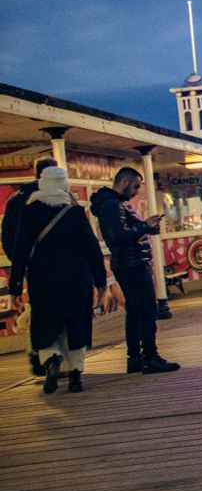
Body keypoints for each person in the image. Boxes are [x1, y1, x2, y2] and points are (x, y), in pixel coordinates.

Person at [8, 166, 108, 393]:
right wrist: (100, 281)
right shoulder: (73, 211)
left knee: (45, 322)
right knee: (76, 322)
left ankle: (52, 359)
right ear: (64, 184)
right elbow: (91, 247)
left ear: (42, 183)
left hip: (43, 278)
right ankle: (75, 374)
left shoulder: (31, 210)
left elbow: (21, 248)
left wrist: (15, 285)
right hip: (76, 276)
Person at [91, 167, 180, 375]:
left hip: (128, 263)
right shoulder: (112, 205)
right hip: (132, 264)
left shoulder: (113, 203)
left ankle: (135, 358)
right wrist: (145, 226)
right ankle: (150, 356)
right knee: (148, 309)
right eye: (135, 186)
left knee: (134, 310)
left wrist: (146, 228)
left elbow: (123, 233)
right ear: (124, 182)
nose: (136, 191)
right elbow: (120, 235)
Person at [2, 157, 59, 376]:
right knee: (60, 309)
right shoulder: (59, 198)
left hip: (34, 267)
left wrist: (21, 265)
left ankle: (40, 353)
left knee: (39, 309)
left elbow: (9, 239)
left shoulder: (18, 200)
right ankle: (54, 357)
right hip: (59, 266)